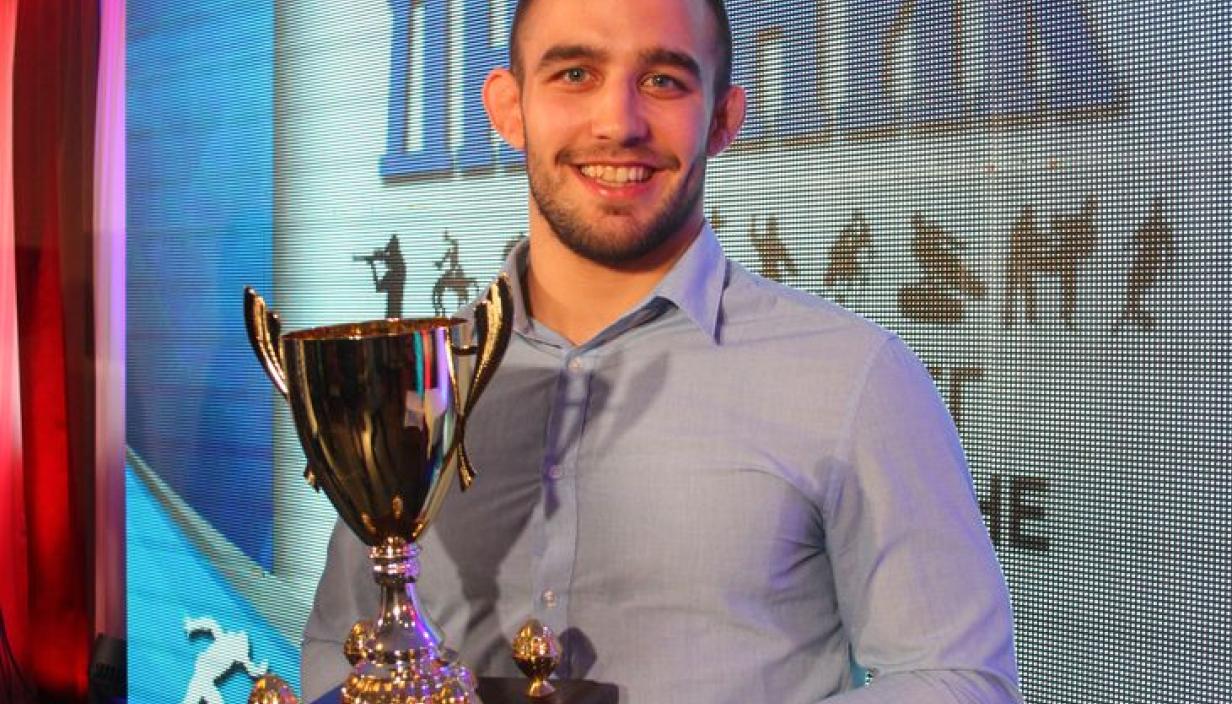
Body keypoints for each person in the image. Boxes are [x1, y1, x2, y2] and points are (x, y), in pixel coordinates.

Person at [302, 0, 1022, 702]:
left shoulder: (853, 377)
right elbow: (342, 647)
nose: (619, 122)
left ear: (723, 119)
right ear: (509, 108)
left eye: (663, 80)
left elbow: (959, 677)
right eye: (575, 74)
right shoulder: (420, 377)